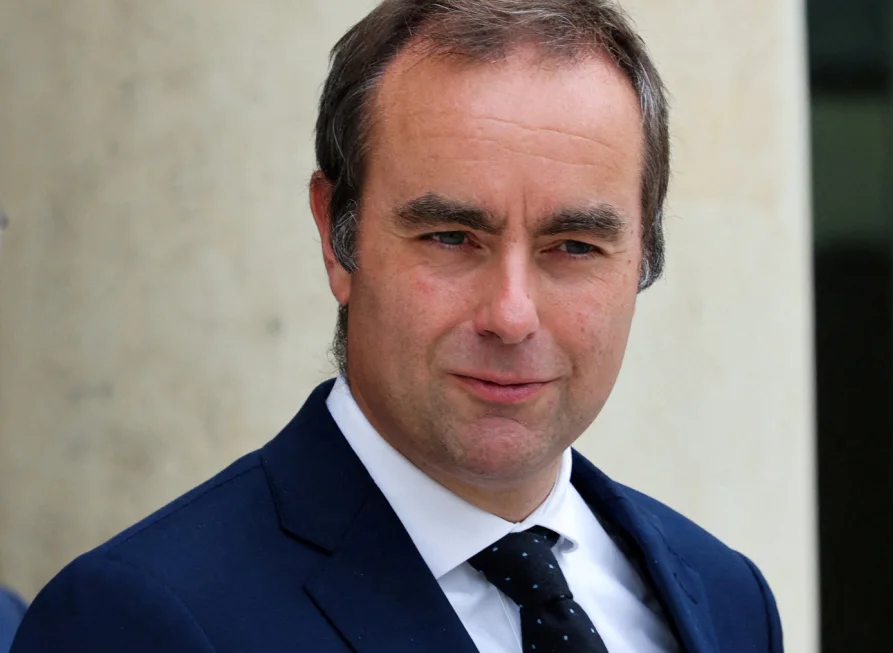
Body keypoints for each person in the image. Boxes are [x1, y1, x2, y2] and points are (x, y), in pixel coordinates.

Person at [12, 1, 784, 651]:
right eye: (451, 237)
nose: (511, 314)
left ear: (643, 256)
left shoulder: (726, 598)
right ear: (335, 236)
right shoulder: (138, 619)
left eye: (573, 247)